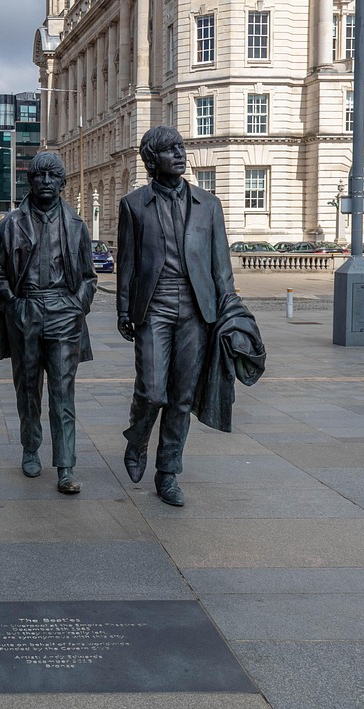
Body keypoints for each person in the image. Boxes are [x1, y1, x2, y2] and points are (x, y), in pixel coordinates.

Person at [116, 124, 237, 507]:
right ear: (152, 160)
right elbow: (128, 264)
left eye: (181, 147)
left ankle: (168, 472)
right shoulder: (134, 205)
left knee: (182, 397)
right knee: (152, 390)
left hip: (197, 309)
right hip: (154, 305)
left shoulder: (209, 204)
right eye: (170, 150)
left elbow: (221, 266)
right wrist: (123, 308)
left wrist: (228, 309)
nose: (180, 154)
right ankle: (137, 438)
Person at [0, 151, 96, 495]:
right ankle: (30, 448)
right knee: (28, 390)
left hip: (63, 313)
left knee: (63, 393)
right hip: (26, 311)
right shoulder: (10, 223)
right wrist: (10, 303)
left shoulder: (76, 224)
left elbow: (88, 277)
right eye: (39, 176)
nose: (46, 182)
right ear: (30, 181)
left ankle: (65, 466)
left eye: (53, 176)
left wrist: (76, 305)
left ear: (63, 183)